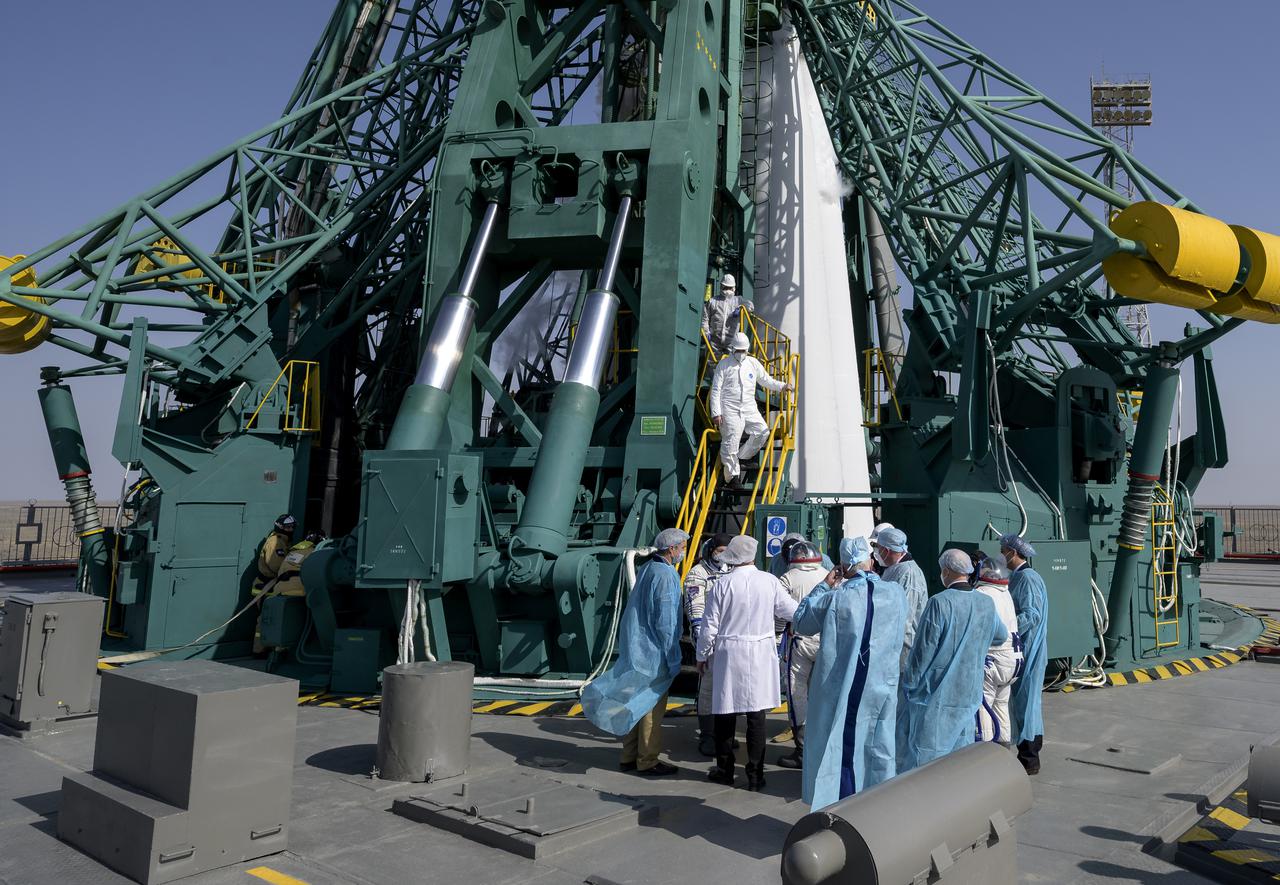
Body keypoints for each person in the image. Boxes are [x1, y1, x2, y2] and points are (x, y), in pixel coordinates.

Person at [792, 537, 906, 809]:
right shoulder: (895, 593)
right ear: (871, 558)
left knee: (840, 748)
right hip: (882, 685)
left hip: (843, 687)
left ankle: (841, 808)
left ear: (843, 565)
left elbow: (801, 621)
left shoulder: (835, 598)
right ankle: (877, 808)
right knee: (878, 746)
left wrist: (824, 584)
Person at [582, 528, 690, 777]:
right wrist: (673, 654)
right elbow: (666, 621)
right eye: (682, 547)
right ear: (672, 549)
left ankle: (629, 755)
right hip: (655, 655)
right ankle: (648, 759)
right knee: (651, 708)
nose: (683, 551)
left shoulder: (647, 569)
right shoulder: (666, 575)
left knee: (634, 704)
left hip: (638, 651)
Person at [697, 535, 798, 791]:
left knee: (725, 713)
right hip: (761, 651)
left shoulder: (722, 584)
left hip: (730, 652)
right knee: (757, 715)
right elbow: (791, 611)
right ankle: (755, 775)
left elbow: (710, 625)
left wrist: (702, 655)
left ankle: (725, 769)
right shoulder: (770, 581)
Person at [897, 549, 1008, 772]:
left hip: (936, 697)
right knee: (958, 765)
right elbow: (1000, 635)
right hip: (968, 695)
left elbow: (922, 652)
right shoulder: (985, 603)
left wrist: (909, 685)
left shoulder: (939, 603)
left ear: (946, 571)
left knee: (926, 766)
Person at [709, 332, 793, 488]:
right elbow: (716, 390)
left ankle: (742, 457)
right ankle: (732, 477)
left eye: (744, 350)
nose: (742, 354)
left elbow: (766, 380)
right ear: (733, 349)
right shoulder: (724, 365)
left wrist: (782, 386)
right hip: (730, 407)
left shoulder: (753, 363)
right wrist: (716, 413)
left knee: (762, 432)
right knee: (731, 440)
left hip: (748, 406)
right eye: (739, 350)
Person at [776, 541, 829, 770]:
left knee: (797, 695)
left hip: (798, 642)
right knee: (823, 695)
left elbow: (778, 612)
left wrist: (778, 634)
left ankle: (802, 751)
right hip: (826, 642)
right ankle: (823, 750)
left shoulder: (787, 578)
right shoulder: (829, 575)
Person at [1001, 533, 1048, 775]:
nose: (1002, 554)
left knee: (1026, 703)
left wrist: (1007, 627)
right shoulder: (1020, 577)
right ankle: (1028, 752)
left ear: (1013, 551)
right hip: (1025, 648)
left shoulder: (1027, 579)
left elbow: (1032, 614)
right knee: (1025, 703)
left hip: (1029, 649)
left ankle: (1029, 757)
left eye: (1003, 550)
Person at [684, 532, 734, 756]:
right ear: (711, 550)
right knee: (708, 689)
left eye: (727, 552)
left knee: (728, 690)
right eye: (720, 551)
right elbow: (695, 607)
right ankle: (707, 734)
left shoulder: (734, 571)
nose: (723, 556)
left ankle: (724, 734)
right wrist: (702, 638)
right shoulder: (698, 573)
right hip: (709, 638)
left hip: (731, 640)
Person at [973, 554, 1022, 748]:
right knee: (1001, 707)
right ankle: (1004, 749)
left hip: (994, 659)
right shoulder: (1005, 592)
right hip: (1014, 661)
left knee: (983, 706)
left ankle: (983, 752)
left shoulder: (983, 593)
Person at [874, 527, 928, 670]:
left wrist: (884, 645)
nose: (877, 552)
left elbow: (904, 618)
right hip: (893, 646)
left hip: (904, 648)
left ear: (887, 550)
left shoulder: (908, 573)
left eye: (878, 548)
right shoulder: (895, 569)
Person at [701, 273, 741, 357]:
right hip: (714, 340)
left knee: (731, 365)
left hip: (731, 340)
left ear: (734, 288)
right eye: (726, 287)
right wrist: (706, 332)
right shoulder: (713, 301)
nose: (727, 290)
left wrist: (741, 307)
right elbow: (705, 317)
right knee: (712, 364)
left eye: (730, 288)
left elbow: (751, 306)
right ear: (722, 286)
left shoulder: (738, 300)